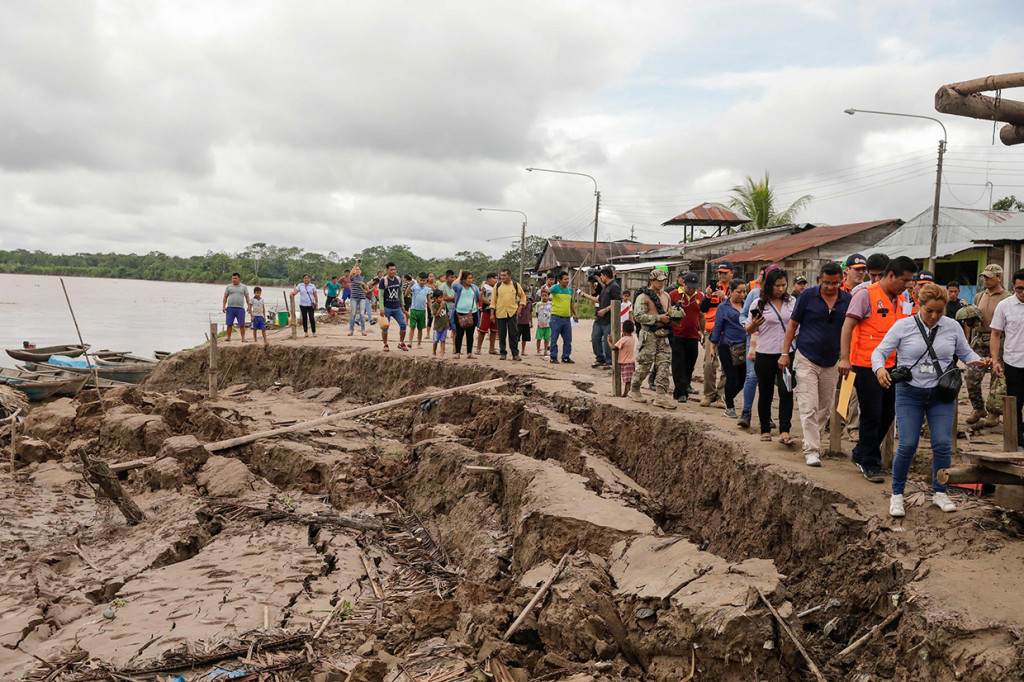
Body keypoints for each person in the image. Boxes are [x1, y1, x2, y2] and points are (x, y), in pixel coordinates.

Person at [874, 283, 987, 517]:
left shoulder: (952, 327)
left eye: (940, 311)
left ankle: (940, 492)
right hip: (909, 393)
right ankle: (897, 495)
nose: (935, 316)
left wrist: (980, 361)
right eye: (929, 311)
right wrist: (880, 370)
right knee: (907, 444)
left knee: (942, 443)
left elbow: (966, 354)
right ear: (918, 306)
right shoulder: (903, 326)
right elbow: (880, 352)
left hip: (941, 394)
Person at [839, 255, 918, 482]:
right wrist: (844, 359)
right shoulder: (865, 295)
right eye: (905, 280)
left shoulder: (901, 298)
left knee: (888, 413)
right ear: (891, 275)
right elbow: (847, 326)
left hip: (892, 365)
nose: (907, 285)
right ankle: (870, 462)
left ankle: (861, 452)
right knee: (871, 414)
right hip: (865, 364)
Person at [780, 262, 850, 466]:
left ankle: (814, 442)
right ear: (820, 280)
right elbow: (793, 325)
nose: (830, 287)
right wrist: (785, 353)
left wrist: (847, 357)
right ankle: (812, 449)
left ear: (841, 281)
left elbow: (851, 330)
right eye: (827, 283)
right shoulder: (807, 296)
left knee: (825, 408)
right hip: (806, 358)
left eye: (835, 283)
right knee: (808, 405)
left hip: (832, 361)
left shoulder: (848, 300)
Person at [745, 268, 797, 444]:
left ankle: (785, 430)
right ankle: (765, 429)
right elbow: (748, 329)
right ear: (769, 285)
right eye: (777, 286)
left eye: (784, 285)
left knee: (786, 391)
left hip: (787, 354)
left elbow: (798, 326)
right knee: (765, 392)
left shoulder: (792, 302)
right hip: (765, 353)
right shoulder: (758, 304)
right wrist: (754, 324)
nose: (781, 289)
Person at [630, 269, 685, 409]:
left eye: (662, 280)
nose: (661, 283)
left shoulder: (666, 295)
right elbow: (638, 316)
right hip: (649, 334)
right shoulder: (643, 297)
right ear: (651, 281)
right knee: (645, 364)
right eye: (658, 280)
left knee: (664, 365)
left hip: (663, 334)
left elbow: (669, 310)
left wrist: (675, 316)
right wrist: (658, 318)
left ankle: (661, 396)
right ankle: (634, 388)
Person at [965, 264, 1011, 427]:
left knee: (996, 378)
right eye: (984, 277)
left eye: (989, 277)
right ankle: (978, 408)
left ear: (999, 278)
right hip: (980, 339)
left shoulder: (1007, 297)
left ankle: (994, 413)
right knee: (971, 376)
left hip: (1001, 340)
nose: (985, 280)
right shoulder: (979, 296)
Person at [737, 265, 775, 429]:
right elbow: (743, 314)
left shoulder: (784, 299)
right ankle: (746, 413)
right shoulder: (754, 294)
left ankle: (766, 417)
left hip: (775, 342)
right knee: (752, 376)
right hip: (755, 339)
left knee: (769, 379)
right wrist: (750, 325)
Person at [992, 268, 1024, 450]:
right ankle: (1017, 442)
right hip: (1013, 363)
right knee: (1014, 404)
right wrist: (995, 360)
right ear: (1013, 287)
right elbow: (996, 334)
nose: (1023, 293)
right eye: (1019, 289)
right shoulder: (1005, 306)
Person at [709, 280, 748, 418]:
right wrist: (712, 347)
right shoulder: (723, 307)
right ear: (731, 292)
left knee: (743, 379)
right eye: (739, 292)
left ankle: (727, 396)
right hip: (727, 346)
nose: (742, 295)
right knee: (732, 377)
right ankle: (730, 407)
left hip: (745, 347)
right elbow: (717, 327)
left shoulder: (747, 306)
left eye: (744, 292)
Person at [699, 261, 734, 406]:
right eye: (720, 273)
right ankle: (709, 394)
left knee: (727, 366)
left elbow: (738, 309)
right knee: (709, 364)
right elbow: (703, 309)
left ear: (732, 273)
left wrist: (725, 299)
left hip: (729, 333)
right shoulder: (712, 289)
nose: (722, 275)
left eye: (725, 272)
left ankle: (721, 396)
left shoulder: (736, 289)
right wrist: (707, 297)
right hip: (711, 332)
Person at [668, 272, 704, 403]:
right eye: (690, 287)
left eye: (694, 287)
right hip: (677, 335)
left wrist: (702, 332)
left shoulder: (700, 296)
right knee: (678, 364)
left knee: (690, 363)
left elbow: (701, 316)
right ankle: (681, 392)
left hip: (693, 336)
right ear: (684, 284)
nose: (692, 289)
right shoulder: (673, 295)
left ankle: (686, 385)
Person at [492, 268, 527, 361]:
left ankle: (515, 353)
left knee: (513, 333)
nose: (502, 277)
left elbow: (523, 296)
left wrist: (520, 307)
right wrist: (492, 313)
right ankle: (503, 353)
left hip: (512, 313)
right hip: (500, 312)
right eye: (501, 275)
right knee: (501, 334)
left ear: (509, 276)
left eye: (504, 275)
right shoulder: (497, 286)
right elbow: (493, 301)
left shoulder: (515, 285)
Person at [378, 262, 409, 352]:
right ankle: (385, 344)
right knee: (385, 327)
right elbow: (381, 295)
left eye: (394, 269)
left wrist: (402, 305)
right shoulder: (383, 281)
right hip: (387, 308)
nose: (393, 271)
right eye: (391, 270)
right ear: (387, 270)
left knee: (403, 324)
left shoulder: (398, 280)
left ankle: (401, 343)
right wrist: (381, 308)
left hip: (397, 307)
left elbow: (401, 293)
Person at [548, 271, 577, 363]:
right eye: (565, 279)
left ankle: (565, 357)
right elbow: (548, 291)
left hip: (567, 319)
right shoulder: (555, 288)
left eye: (567, 279)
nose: (567, 281)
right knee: (554, 339)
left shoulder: (569, 290)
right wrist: (546, 287)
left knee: (568, 339)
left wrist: (575, 313)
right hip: (556, 318)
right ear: (560, 280)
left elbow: (571, 303)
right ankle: (553, 357)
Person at [451, 271, 480, 359]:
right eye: (468, 278)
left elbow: (478, 297)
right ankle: (458, 352)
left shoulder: (474, 288)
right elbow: (454, 285)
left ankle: (469, 353)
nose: (470, 280)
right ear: (463, 279)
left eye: (471, 278)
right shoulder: (459, 287)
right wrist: (459, 274)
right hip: (459, 313)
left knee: (470, 334)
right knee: (459, 334)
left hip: (472, 313)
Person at [222, 272, 250, 343]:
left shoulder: (244, 287)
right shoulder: (228, 287)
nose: (234, 280)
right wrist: (223, 306)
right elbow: (225, 297)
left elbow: (247, 297)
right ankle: (228, 338)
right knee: (229, 324)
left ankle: (243, 338)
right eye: (233, 278)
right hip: (230, 308)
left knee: (242, 324)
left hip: (240, 308)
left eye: (235, 278)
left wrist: (249, 306)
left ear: (239, 279)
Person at [406, 272, 432, 348]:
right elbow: (406, 294)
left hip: (422, 310)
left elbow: (429, 300)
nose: (422, 282)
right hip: (414, 309)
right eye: (421, 280)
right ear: (418, 279)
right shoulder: (414, 287)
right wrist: (410, 286)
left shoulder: (427, 289)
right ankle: (410, 342)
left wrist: (431, 310)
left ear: (426, 280)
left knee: (420, 328)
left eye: (424, 280)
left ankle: (419, 343)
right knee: (412, 327)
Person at [476, 273, 499, 356]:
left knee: (494, 330)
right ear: (489, 279)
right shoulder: (484, 287)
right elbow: (481, 297)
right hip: (487, 310)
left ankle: (492, 349)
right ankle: (478, 349)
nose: (496, 280)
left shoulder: (498, 286)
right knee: (483, 330)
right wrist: (490, 303)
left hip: (496, 310)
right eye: (494, 278)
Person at [613, 320, 637, 396]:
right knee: (628, 380)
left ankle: (628, 394)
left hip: (625, 362)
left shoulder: (623, 339)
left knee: (627, 380)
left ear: (623, 330)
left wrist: (608, 341)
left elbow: (613, 347)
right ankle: (626, 393)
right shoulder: (632, 338)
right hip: (631, 362)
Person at [349, 265, 371, 336]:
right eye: (356, 269)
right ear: (354, 271)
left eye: (358, 269)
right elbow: (350, 274)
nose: (357, 270)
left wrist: (363, 284)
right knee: (353, 314)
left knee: (362, 314)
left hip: (362, 298)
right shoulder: (352, 278)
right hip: (354, 298)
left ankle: (363, 330)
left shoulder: (362, 278)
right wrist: (356, 265)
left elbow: (367, 290)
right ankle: (351, 330)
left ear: (360, 271)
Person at [430, 289, 449, 358]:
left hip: (444, 326)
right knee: (435, 341)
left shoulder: (445, 304)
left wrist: (448, 323)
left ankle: (442, 354)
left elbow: (446, 314)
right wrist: (441, 307)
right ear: (435, 298)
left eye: (442, 297)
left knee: (443, 340)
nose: (442, 299)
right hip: (437, 327)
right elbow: (436, 315)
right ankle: (434, 352)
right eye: (440, 297)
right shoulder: (434, 305)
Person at [536, 290, 552, 355]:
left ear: (548, 296)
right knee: (538, 338)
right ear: (541, 296)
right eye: (543, 296)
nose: (544, 297)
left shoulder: (551, 304)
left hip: (548, 324)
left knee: (547, 339)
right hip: (540, 324)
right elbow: (537, 313)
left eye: (546, 296)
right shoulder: (538, 304)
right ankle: (538, 350)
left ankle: (545, 350)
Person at [518, 293, 533, 358]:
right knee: (516, 337)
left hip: (526, 322)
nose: (526, 295)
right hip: (519, 322)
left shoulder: (530, 303)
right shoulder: (518, 302)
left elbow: (530, 313)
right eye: (525, 294)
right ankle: (515, 350)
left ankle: (523, 351)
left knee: (525, 338)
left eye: (527, 294)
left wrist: (531, 322)